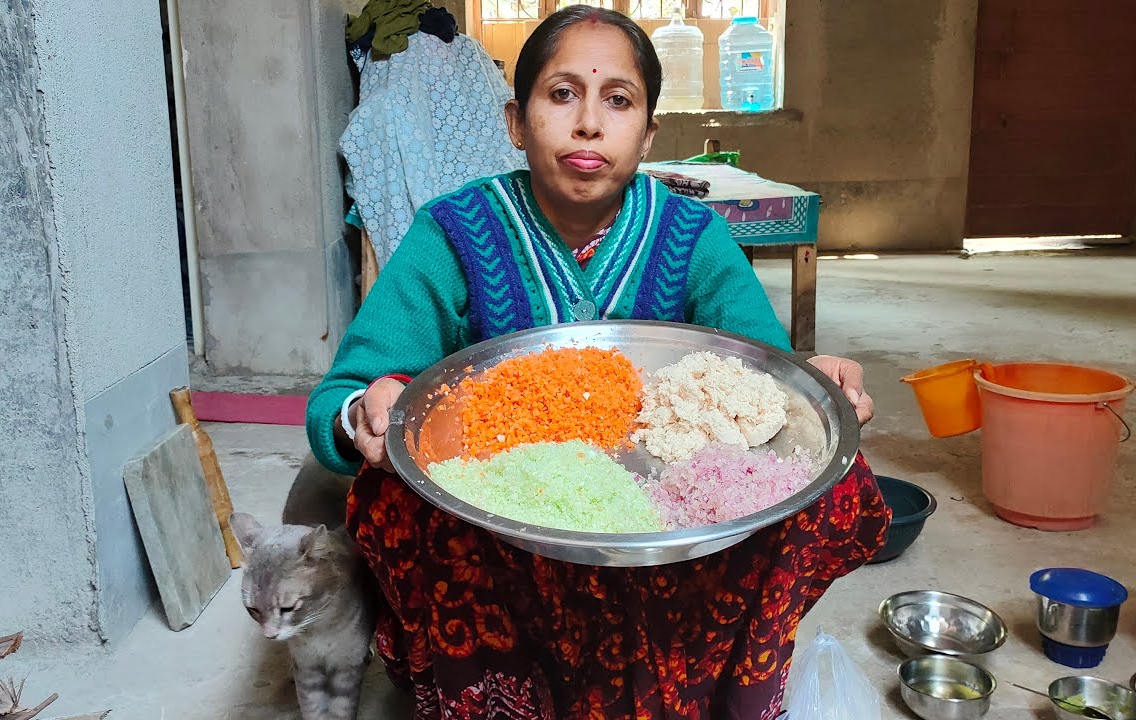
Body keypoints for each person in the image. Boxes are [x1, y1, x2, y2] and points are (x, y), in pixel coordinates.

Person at [306, 6, 890, 718]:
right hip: (505, 524)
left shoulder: (688, 235)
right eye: (561, 95)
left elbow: (766, 374)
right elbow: (339, 397)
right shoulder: (455, 233)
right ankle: (495, 694)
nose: (588, 124)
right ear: (516, 122)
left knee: (832, 483)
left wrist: (818, 383)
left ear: (647, 133)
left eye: (618, 100)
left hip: (665, 530)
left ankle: (710, 689)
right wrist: (363, 411)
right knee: (386, 494)